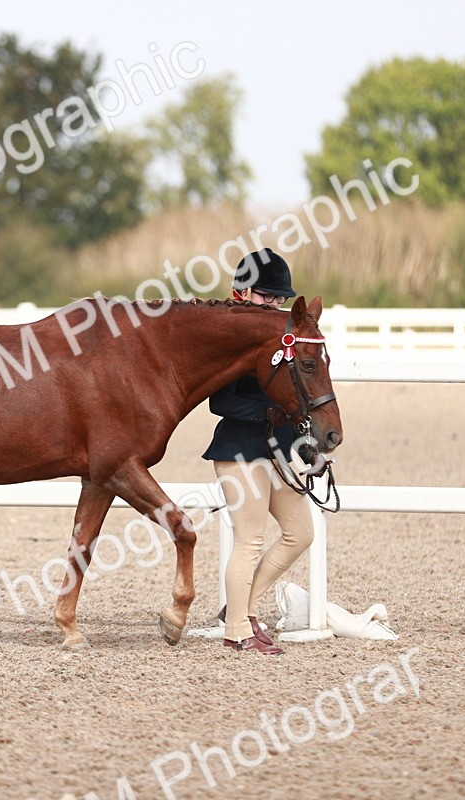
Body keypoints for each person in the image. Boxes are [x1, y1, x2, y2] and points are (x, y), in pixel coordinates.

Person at [202, 248, 315, 655]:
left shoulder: (281, 336)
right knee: (249, 541)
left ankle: (241, 608)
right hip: (239, 448)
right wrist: (270, 410)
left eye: (279, 298)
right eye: (266, 296)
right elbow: (220, 402)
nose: (274, 305)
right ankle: (237, 631)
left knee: (300, 533)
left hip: (280, 450)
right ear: (241, 293)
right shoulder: (226, 337)